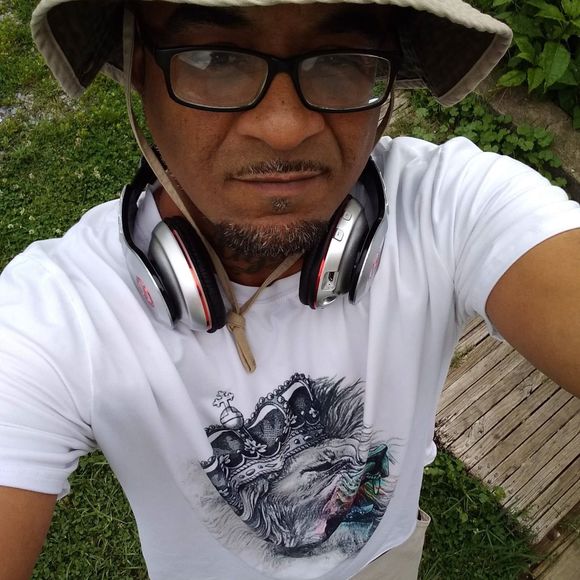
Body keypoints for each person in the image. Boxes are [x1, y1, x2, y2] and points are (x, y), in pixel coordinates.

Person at [1, 0, 579, 578]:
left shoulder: (454, 207)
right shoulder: (52, 318)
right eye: (217, 58)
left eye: (340, 59)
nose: (284, 129)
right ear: (139, 70)